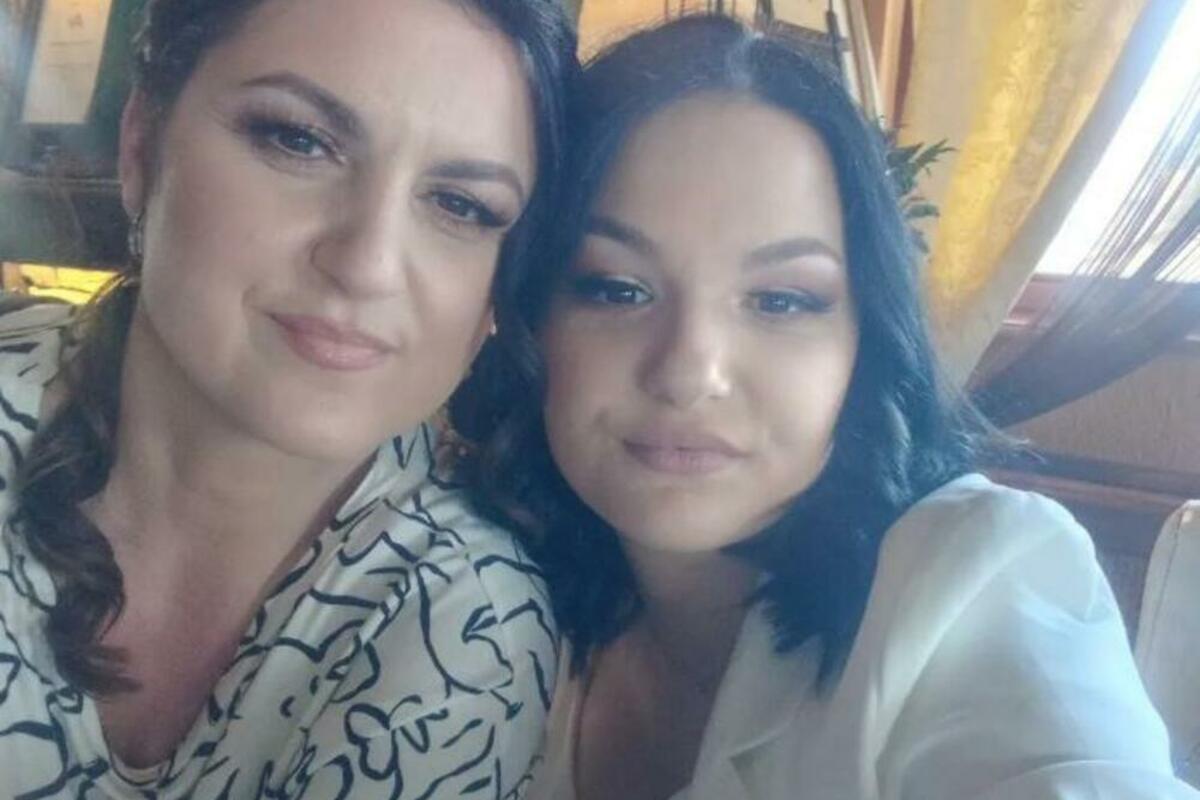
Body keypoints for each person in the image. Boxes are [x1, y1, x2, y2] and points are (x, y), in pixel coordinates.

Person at [454, 14, 1200, 800]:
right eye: (617, 288)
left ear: (863, 340)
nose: (689, 373)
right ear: (527, 316)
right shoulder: (477, 585)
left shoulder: (972, 580)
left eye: (780, 300)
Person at [0, 0, 574, 796]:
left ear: (495, 300)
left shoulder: (469, 627)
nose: (367, 264)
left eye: (460, 205)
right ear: (141, 145)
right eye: (298, 140)